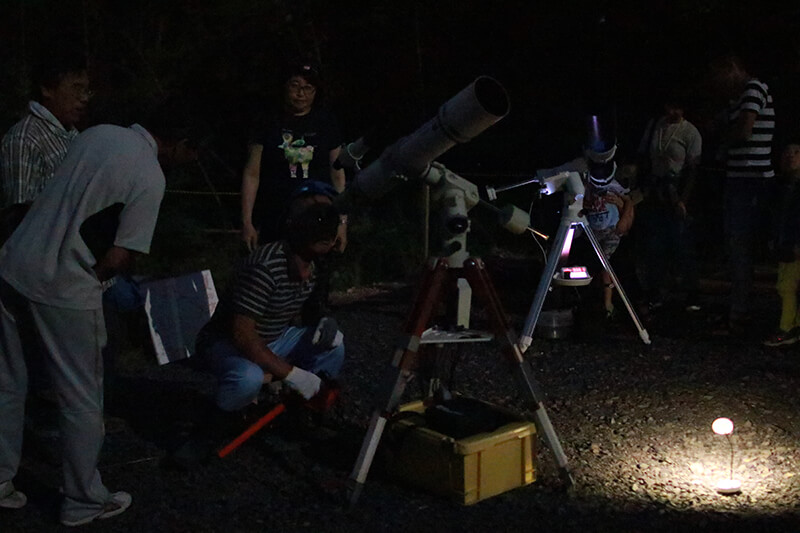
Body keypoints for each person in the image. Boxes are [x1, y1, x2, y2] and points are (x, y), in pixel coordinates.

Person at [0, 101, 199, 526]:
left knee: (8, 382)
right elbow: (118, 254)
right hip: (65, 283)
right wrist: (94, 279)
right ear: (179, 144)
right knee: (82, 397)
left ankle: (0, 480)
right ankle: (82, 500)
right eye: (192, 152)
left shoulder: (98, 133)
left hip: (14, 263)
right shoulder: (150, 177)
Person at [174, 188, 345, 465]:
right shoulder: (265, 268)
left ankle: (302, 415)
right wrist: (291, 373)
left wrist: (324, 323)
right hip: (225, 342)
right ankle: (205, 435)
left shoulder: (315, 264)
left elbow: (312, 308)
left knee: (335, 347)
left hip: (274, 335)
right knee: (247, 379)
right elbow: (242, 335)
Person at [240, 62, 347, 251]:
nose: (301, 94)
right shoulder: (267, 121)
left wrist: (342, 222)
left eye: (308, 88)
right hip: (275, 214)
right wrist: (247, 221)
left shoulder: (326, 122)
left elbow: (337, 173)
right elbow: (252, 173)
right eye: (295, 86)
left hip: (318, 215)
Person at [710, 53, 776, 328]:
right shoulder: (737, 98)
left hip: (751, 179)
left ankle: (741, 310)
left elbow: (744, 131)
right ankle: (741, 306)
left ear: (732, 67)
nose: (719, 82)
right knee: (738, 243)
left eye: (721, 75)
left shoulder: (753, 89)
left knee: (740, 243)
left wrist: (723, 143)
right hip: (741, 177)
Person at [636, 93, 703, 311]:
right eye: (671, 107)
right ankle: (654, 291)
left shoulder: (690, 132)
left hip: (676, 189)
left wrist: (684, 199)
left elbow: (693, 169)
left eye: (678, 108)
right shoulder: (656, 126)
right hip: (656, 191)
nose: (674, 112)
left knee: (682, 243)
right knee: (655, 243)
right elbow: (645, 155)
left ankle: (692, 292)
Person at [0, 49, 90, 208]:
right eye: (76, 89)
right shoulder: (25, 139)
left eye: (85, 90)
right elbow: (20, 216)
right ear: (47, 89)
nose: (84, 98)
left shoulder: (76, 136)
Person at [762, 143, 800, 346]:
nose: (790, 157)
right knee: (788, 286)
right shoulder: (782, 186)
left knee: (786, 287)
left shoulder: (791, 188)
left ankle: (787, 328)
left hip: (793, 244)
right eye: (787, 153)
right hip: (786, 243)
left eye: (796, 153)